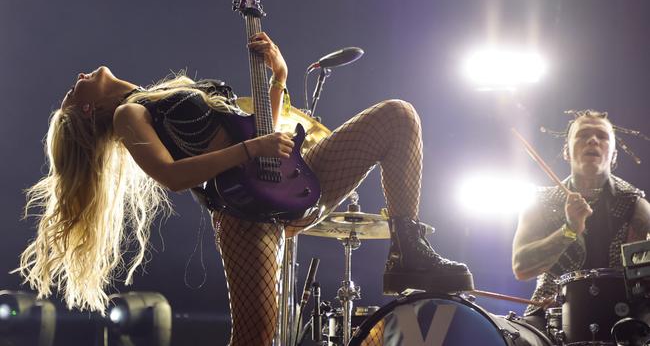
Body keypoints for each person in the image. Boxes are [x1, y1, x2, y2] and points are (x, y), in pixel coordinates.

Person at [17, 32, 473, 346]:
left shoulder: (156, 97)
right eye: (72, 94)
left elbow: (257, 131)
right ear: (90, 112)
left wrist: (278, 77)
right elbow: (173, 177)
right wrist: (251, 150)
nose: (77, 79)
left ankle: (407, 252)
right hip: (242, 214)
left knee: (398, 116)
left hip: (285, 179)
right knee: (255, 338)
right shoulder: (127, 115)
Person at [512, 110, 650, 330]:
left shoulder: (634, 202)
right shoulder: (541, 201)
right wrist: (569, 229)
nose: (593, 140)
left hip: (621, 314)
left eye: (602, 136)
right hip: (550, 313)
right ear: (567, 151)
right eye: (583, 134)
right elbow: (521, 267)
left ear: (614, 155)